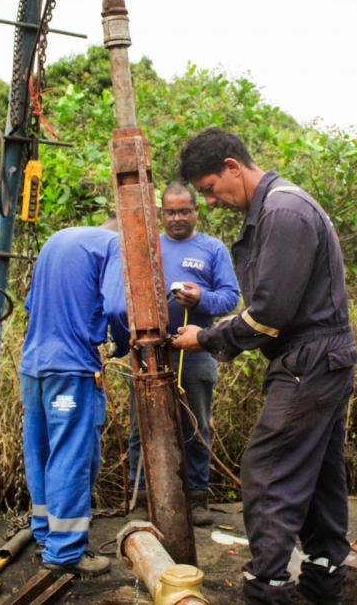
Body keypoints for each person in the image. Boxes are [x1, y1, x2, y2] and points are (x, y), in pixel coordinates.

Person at [171, 127, 357, 604]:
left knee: (268, 470)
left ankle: (267, 587)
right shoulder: (280, 206)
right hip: (321, 358)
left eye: (210, 189)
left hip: (310, 362)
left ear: (233, 167)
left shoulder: (283, 211)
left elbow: (270, 314)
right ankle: (323, 577)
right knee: (317, 471)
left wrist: (208, 337)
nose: (209, 202)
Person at [19, 219, 129, 577]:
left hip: (34, 364)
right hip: (71, 368)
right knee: (72, 455)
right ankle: (65, 552)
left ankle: (46, 534)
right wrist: (123, 343)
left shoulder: (57, 240)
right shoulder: (115, 245)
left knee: (42, 451)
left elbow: (29, 303)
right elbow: (117, 307)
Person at [127, 182, 240, 526]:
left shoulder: (212, 248)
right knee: (142, 426)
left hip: (195, 350)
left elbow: (230, 297)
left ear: (195, 212)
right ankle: (144, 497)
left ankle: (196, 498)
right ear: (162, 213)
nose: (177, 218)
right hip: (150, 351)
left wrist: (200, 298)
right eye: (171, 211)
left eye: (184, 211)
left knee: (195, 425)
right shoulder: (148, 246)